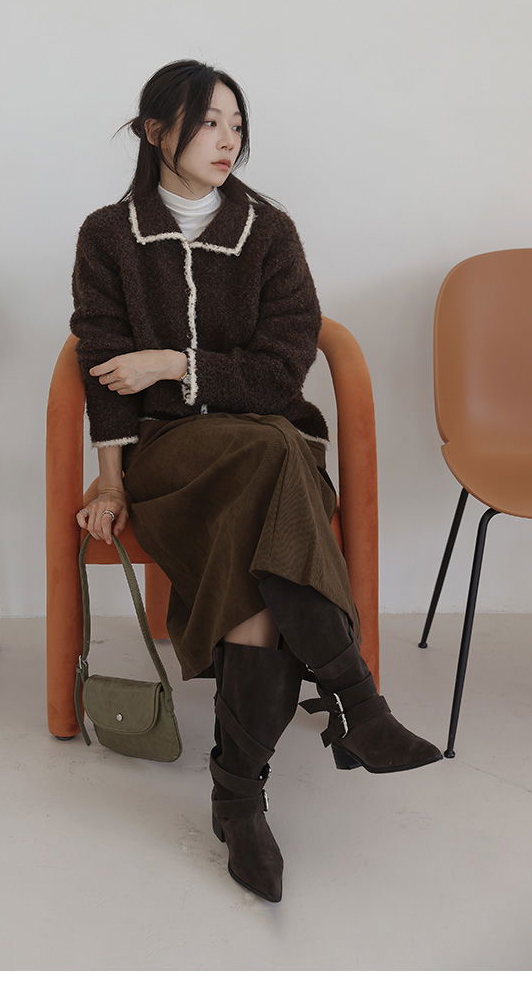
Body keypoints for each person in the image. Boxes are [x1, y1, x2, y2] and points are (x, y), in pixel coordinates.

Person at [69, 59, 441, 904]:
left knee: (267, 479)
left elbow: (282, 371)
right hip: (172, 455)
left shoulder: (268, 231)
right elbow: (103, 367)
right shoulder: (108, 235)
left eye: (236, 123)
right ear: (156, 131)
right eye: (208, 121)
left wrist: (174, 361)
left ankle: (239, 797)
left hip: (270, 448)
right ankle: (354, 701)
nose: (227, 138)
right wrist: (111, 482)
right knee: (273, 460)